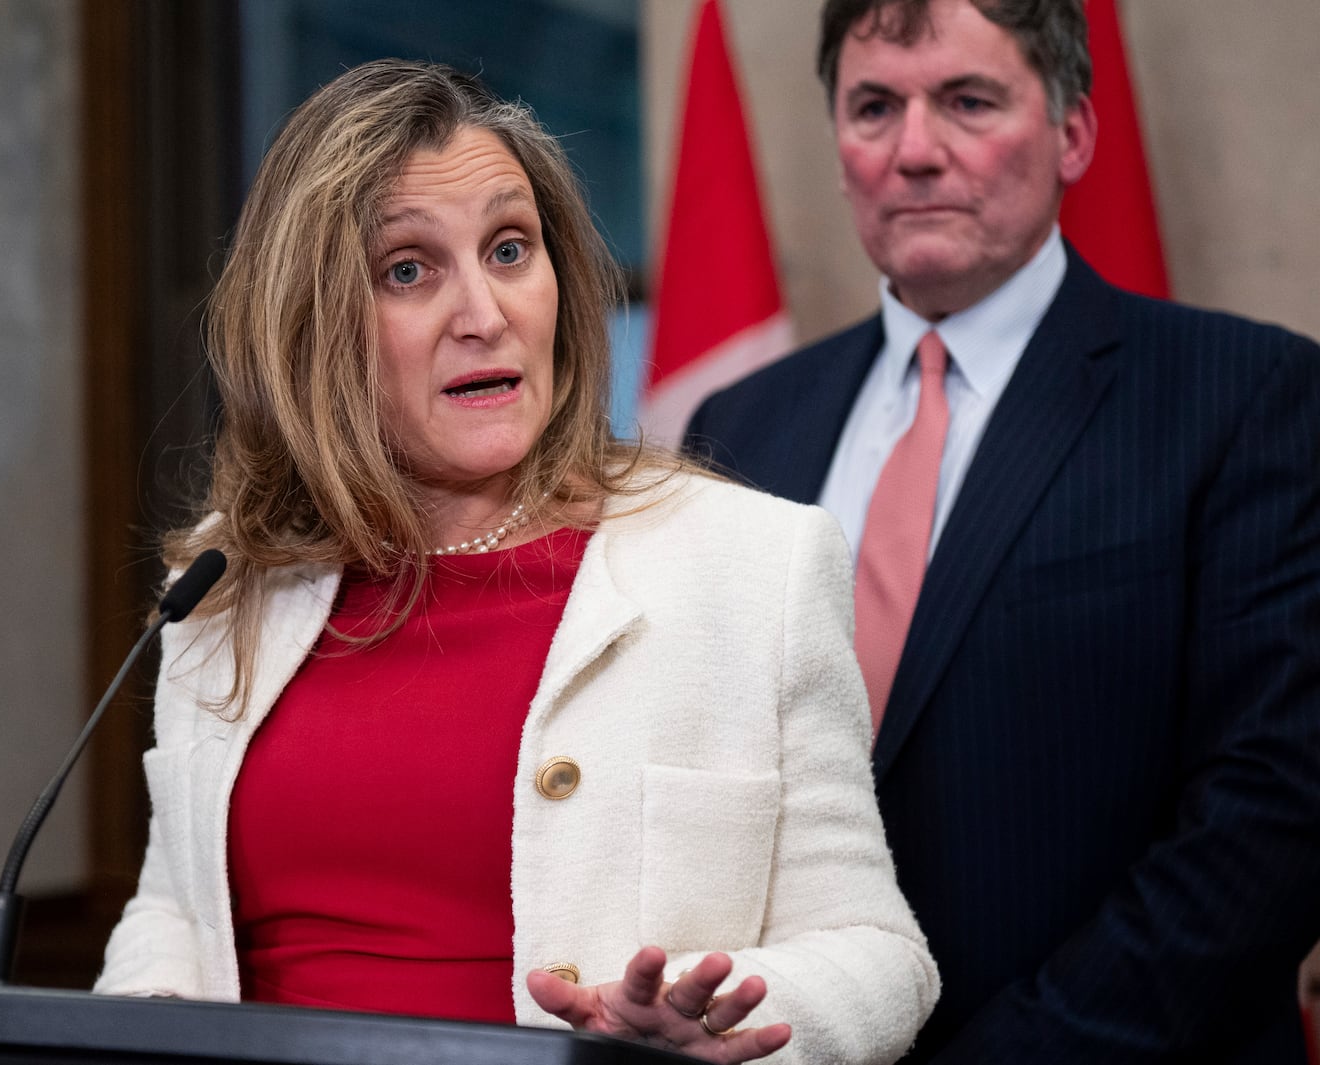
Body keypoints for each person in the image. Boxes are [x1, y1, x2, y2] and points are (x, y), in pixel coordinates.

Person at [93, 59, 939, 1065]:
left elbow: (880, 955)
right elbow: (174, 918)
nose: (484, 313)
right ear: (314, 331)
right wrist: (133, 1018)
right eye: (408, 269)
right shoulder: (227, 583)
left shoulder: (749, 565)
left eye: (508, 249)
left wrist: (719, 1021)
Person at [684, 1, 1320, 1061]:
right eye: (874, 106)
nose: (916, 151)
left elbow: (1275, 811)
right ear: (837, 144)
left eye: (968, 101)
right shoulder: (743, 424)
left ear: (1072, 133)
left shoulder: (1244, 397)